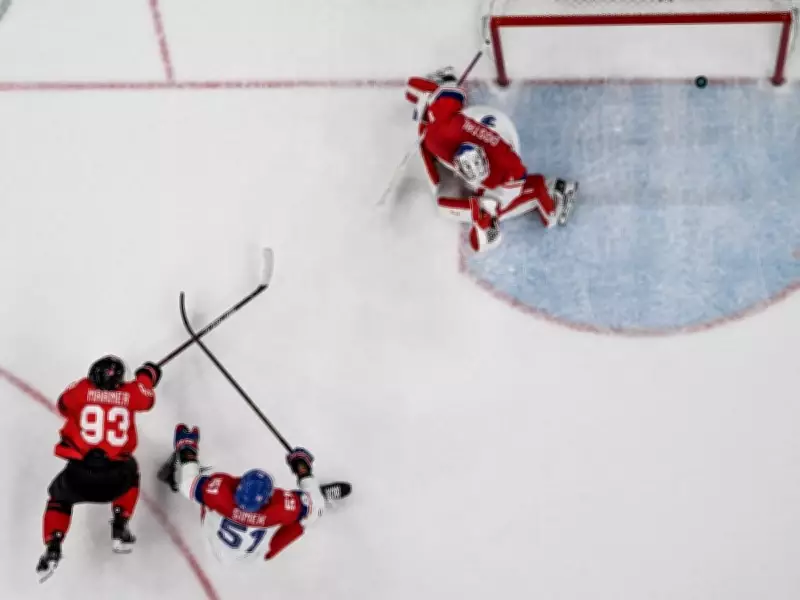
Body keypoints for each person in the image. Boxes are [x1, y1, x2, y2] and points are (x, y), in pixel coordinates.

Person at [405, 66, 579, 252]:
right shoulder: (442, 133)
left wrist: (483, 218)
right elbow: (447, 91)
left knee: (457, 208)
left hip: (503, 157)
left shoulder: (505, 168)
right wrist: (427, 100)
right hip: (482, 131)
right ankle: (551, 199)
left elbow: (527, 186)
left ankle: (555, 196)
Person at [36, 355, 161, 581]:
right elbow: (147, 399)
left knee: (59, 499)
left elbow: (63, 406)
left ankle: (53, 545)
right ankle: (120, 524)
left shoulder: (82, 389)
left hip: (79, 476)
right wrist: (147, 374)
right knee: (132, 472)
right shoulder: (130, 393)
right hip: (116, 480)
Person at [158, 424, 350, 564]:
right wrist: (304, 472)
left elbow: (188, 483)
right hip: (256, 556)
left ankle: (174, 473)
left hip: (214, 541)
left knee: (200, 490)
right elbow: (314, 511)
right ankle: (311, 496)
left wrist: (187, 449)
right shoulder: (279, 509)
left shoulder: (220, 494)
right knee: (307, 515)